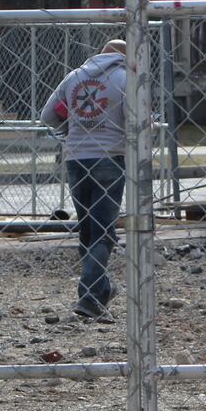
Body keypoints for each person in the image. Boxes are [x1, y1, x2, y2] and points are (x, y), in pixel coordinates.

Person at [41, 39, 128, 318]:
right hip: (110, 158)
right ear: (124, 57)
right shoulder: (126, 79)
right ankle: (89, 298)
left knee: (89, 229)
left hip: (76, 159)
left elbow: (48, 115)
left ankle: (101, 289)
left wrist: (71, 129)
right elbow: (135, 121)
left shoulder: (75, 76)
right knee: (104, 231)